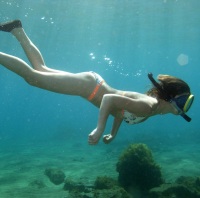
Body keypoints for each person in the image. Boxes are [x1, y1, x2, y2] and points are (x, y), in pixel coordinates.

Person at [0, 20, 194, 145]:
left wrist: (113, 134)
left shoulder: (153, 108)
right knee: (34, 78)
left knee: (41, 70)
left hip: (92, 84)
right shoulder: (149, 107)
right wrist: (99, 128)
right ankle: (14, 34)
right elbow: (110, 99)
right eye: (185, 101)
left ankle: (16, 30)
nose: (186, 106)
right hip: (89, 87)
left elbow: (120, 110)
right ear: (172, 97)